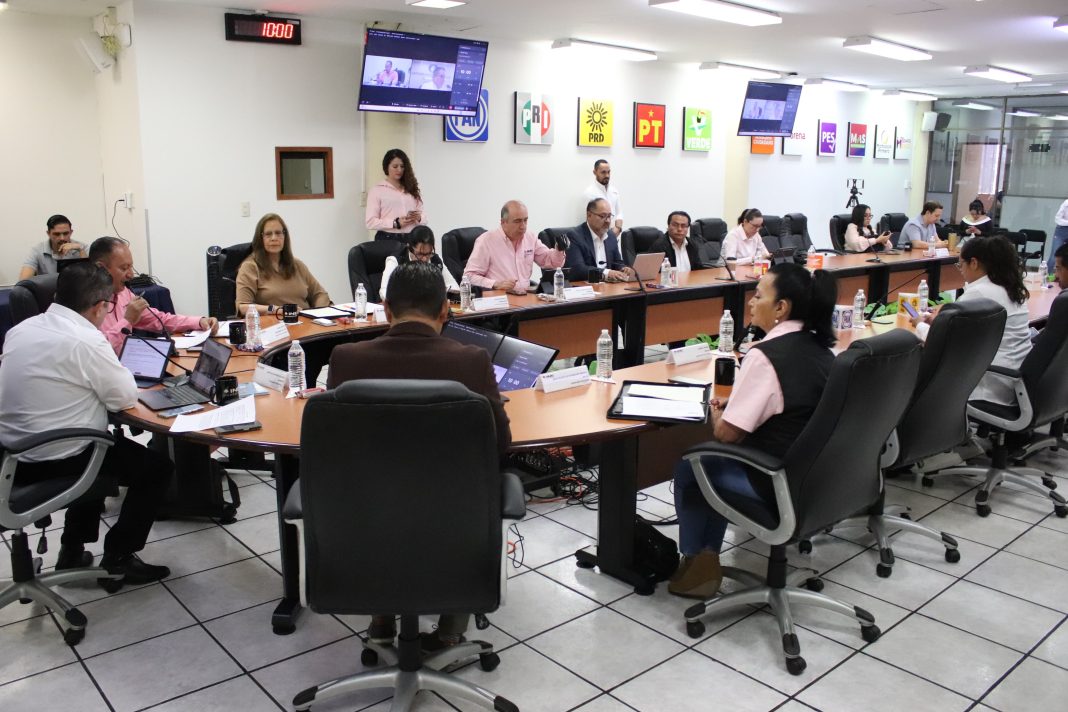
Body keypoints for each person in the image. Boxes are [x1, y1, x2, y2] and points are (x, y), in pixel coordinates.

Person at [327, 260, 511, 651]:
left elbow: (335, 450)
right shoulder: (472, 360)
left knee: (378, 494)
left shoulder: (346, 358)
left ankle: (381, 620)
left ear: (386, 309)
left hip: (364, 523)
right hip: (452, 526)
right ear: (445, 309)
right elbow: (500, 444)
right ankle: (449, 633)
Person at [668, 263, 838, 598]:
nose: (751, 302)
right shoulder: (822, 349)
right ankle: (704, 562)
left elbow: (727, 435)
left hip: (776, 485)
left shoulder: (765, 356)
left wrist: (718, 411)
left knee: (694, 466)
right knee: (713, 464)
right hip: (818, 484)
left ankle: (698, 564)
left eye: (759, 296)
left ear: (781, 307)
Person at [0, 262, 172, 587]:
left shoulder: (21, 329)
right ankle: (119, 558)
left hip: (13, 455)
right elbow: (124, 397)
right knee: (154, 467)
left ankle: (72, 550)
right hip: (55, 456)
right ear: (99, 306)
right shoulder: (86, 340)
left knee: (98, 441)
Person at [913, 235, 1030, 406]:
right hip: (1014, 377)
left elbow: (943, 343)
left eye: (960, 264)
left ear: (974, 263)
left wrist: (919, 324)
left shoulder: (979, 292)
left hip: (989, 383)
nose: (960, 270)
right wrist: (941, 322)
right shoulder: (1010, 287)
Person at [89, 237, 218, 355]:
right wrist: (127, 320)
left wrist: (199, 321)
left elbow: (159, 319)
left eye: (131, 267)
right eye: (124, 268)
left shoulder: (124, 293)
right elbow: (96, 351)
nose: (131, 275)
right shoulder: (86, 304)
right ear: (101, 268)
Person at [235, 214, 332, 316]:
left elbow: (320, 294)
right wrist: (279, 310)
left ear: (285, 236)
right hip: (275, 323)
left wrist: (318, 314)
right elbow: (243, 307)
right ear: (260, 238)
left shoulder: (298, 265)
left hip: (305, 321)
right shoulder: (250, 267)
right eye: (268, 234)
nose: (274, 238)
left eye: (278, 233)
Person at [463, 200, 567, 293]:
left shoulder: (530, 237)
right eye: (517, 221)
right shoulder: (486, 241)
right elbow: (469, 276)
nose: (523, 226)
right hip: (500, 299)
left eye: (525, 220)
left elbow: (551, 262)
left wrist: (559, 249)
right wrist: (496, 284)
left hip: (526, 298)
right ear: (503, 222)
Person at [379, 225, 459, 300]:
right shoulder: (395, 261)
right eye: (420, 254)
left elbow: (454, 287)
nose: (424, 259)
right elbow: (384, 292)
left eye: (428, 254)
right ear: (409, 248)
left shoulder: (436, 260)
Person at [564, 198, 634, 282]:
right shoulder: (575, 236)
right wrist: (606, 273)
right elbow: (578, 269)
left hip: (609, 286)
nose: (608, 221)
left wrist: (623, 269)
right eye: (602, 216)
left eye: (609, 216)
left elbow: (617, 262)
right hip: (587, 286)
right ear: (589, 215)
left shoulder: (611, 236)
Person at [365, 148, 425, 241]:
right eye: (395, 166)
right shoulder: (377, 190)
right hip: (387, 239)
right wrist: (395, 223)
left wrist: (419, 217)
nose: (399, 170)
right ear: (386, 167)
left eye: (402, 166)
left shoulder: (411, 189)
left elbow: (424, 217)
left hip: (412, 238)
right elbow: (370, 222)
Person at [19, 214, 86, 280]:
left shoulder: (82, 247)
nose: (62, 238)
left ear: (71, 232)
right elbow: (23, 281)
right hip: (47, 287)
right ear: (48, 233)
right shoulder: (37, 250)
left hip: (76, 286)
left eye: (65, 233)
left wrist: (81, 250)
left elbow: (89, 279)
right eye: (57, 234)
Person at [582, 159, 623, 233]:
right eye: (603, 172)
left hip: (615, 234)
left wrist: (618, 228)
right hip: (598, 236)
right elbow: (588, 220)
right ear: (595, 172)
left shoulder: (614, 191)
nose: (607, 175)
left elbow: (619, 213)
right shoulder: (589, 193)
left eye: (608, 172)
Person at [1050, 196, 1068, 275]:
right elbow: (1057, 219)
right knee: (1054, 256)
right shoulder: (1066, 203)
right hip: (1061, 230)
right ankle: (1049, 276)